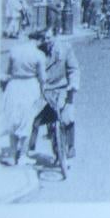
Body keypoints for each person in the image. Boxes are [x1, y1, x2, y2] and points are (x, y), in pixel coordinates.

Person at [28, 27, 80, 160]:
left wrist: (73, 84)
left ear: (55, 37)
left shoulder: (65, 49)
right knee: (35, 119)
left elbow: (73, 69)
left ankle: (70, 146)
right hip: (46, 92)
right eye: (44, 38)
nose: (47, 41)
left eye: (49, 38)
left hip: (62, 89)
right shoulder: (39, 51)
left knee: (67, 116)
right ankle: (29, 149)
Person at [0, 31, 46, 165]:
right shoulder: (39, 55)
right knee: (27, 121)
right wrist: (43, 92)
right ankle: (23, 156)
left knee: (13, 119)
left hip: (14, 85)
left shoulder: (14, 51)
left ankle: (12, 155)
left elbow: (7, 72)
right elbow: (42, 78)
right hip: (30, 86)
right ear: (39, 41)